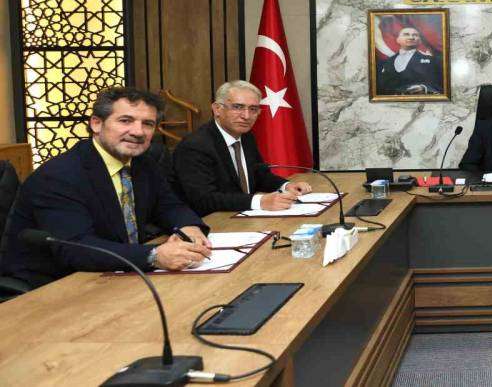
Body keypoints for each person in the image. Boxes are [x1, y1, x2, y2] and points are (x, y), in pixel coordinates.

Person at [1, 87, 212, 287]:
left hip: (117, 274)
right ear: (96, 124)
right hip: (54, 284)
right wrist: (154, 255)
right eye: (125, 120)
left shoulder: (144, 162)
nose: (138, 132)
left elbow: (169, 205)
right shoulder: (58, 175)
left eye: (148, 124)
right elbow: (77, 247)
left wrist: (189, 227)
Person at [171, 81, 312, 215]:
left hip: (242, 216)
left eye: (253, 109)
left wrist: (285, 186)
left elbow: (259, 175)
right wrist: (260, 202)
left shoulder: (245, 136)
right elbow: (204, 199)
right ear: (217, 109)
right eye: (238, 107)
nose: (246, 116)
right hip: (211, 223)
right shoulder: (195, 146)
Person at [376, 27, 443, 95]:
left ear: (419, 40)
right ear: (398, 39)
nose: (411, 37)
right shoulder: (387, 62)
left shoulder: (431, 61)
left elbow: (440, 84)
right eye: (406, 34)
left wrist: (424, 88)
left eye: (415, 35)